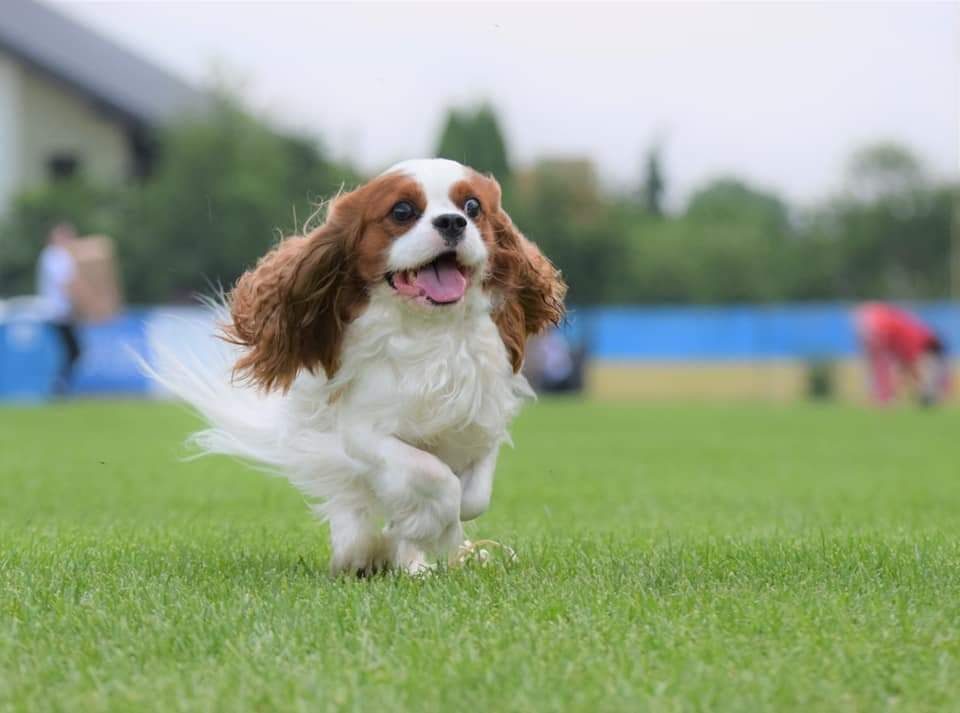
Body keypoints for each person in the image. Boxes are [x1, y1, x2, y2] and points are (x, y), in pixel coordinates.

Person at [854, 302, 950, 406]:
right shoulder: (916, 337)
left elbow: (907, 365)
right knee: (882, 366)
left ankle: (884, 398)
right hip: (880, 329)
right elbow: (909, 366)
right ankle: (886, 398)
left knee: (881, 366)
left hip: (877, 327)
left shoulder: (913, 332)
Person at [37, 222, 82, 395]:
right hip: (58, 312)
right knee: (72, 350)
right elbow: (65, 284)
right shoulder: (54, 256)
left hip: (62, 312)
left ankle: (59, 384)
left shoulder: (59, 256)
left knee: (69, 350)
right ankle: (57, 385)